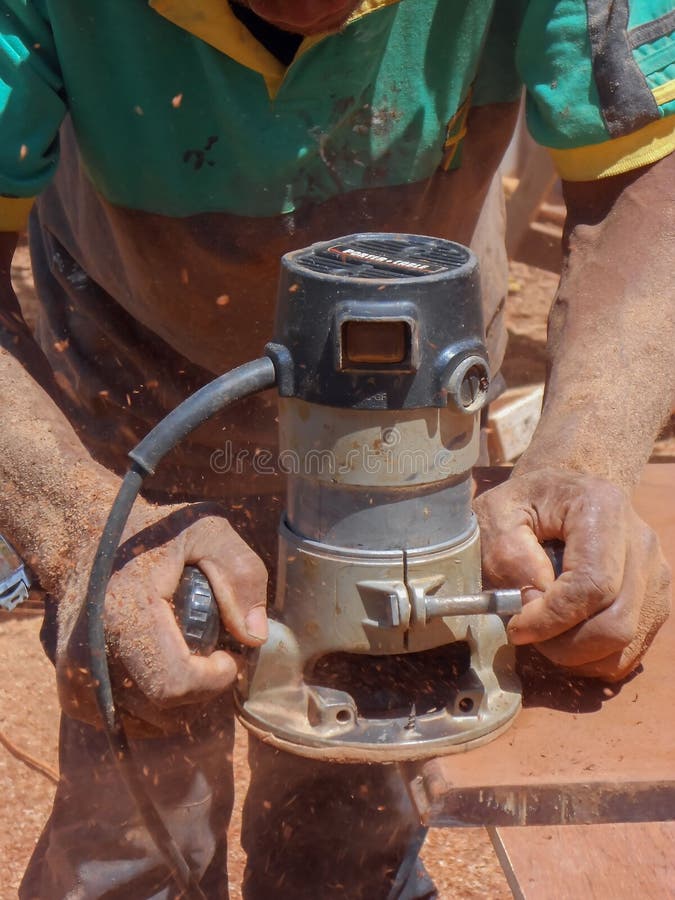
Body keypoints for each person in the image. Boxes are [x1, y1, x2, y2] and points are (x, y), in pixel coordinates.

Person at [1, 0, 673, 897]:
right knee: (134, 785)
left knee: (354, 809)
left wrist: (583, 454)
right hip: (136, 387)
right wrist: (77, 518)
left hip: (419, 414)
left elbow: (647, 172)